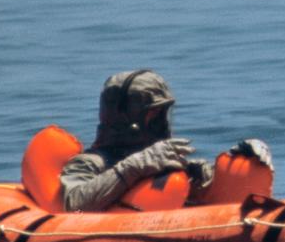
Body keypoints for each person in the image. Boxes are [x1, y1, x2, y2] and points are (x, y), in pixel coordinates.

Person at [60, 69, 218, 212]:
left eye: (163, 114)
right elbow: (74, 203)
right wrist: (133, 167)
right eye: (155, 115)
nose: (162, 123)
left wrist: (201, 176)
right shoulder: (90, 162)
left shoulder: (157, 159)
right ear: (127, 119)